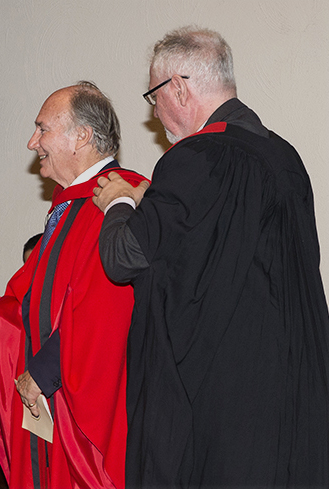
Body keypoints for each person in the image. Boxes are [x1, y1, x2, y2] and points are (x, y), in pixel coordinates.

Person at [92, 26, 329, 487]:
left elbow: (123, 258)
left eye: (153, 96)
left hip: (230, 410)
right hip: (298, 398)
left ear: (178, 88)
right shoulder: (284, 157)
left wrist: (119, 201)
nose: (154, 111)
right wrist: (152, 201)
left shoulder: (196, 157)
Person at [0, 82, 147, 488]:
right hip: (54, 402)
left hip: (89, 407)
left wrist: (45, 370)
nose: (32, 141)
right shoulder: (68, 206)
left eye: (42, 129)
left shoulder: (123, 198)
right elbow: (27, 305)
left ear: (82, 136)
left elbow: (108, 306)